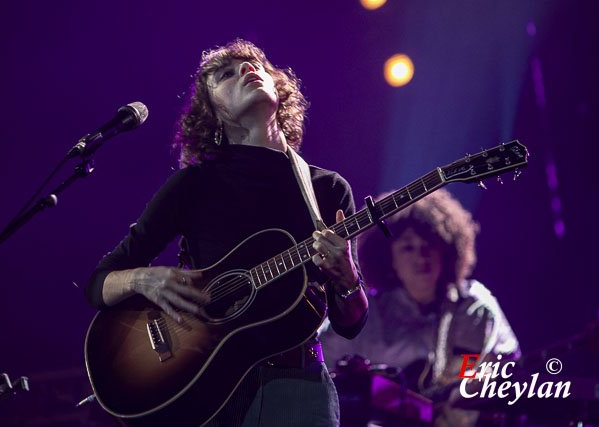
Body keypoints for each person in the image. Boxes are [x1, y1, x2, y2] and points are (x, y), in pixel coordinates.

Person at [84, 39, 368, 426]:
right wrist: (142, 278)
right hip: (205, 386)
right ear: (212, 114)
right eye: (226, 74)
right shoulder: (193, 185)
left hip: (296, 386)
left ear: (278, 88)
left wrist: (346, 276)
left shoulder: (327, 190)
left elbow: (350, 323)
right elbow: (99, 284)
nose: (246, 71)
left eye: (254, 65)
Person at [319, 188, 520, 426]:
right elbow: (320, 360)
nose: (421, 257)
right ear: (388, 258)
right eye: (408, 247)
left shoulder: (473, 306)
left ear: (445, 250)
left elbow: (474, 371)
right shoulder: (369, 311)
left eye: (429, 245)